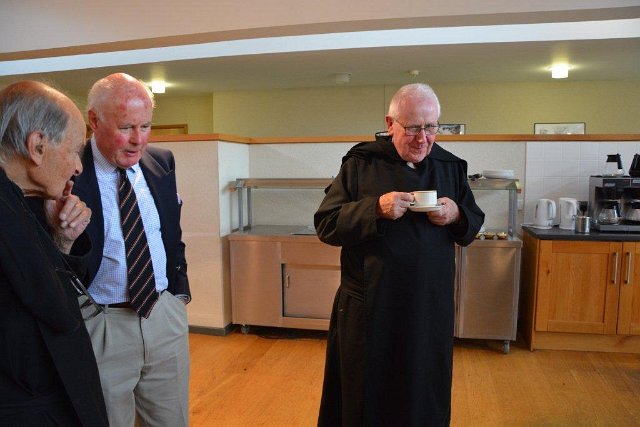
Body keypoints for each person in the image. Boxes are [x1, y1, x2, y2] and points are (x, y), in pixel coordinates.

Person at [314, 83, 485, 426]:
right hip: (371, 306)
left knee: (423, 392)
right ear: (390, 124)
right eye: (412, 128)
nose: (423, 139)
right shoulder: (361, 164)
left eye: (431, 127)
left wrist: (456, 214)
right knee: (367, 395)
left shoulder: (450, 166)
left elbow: (471, 224)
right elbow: (327, 224)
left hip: (428, 307)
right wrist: (374, 208)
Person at [72, 73, 191, 427]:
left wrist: (178, 296)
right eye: (125, 127)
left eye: (145, 126)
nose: (138, 140)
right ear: (94, 120)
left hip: (163, 317)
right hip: (103, 326)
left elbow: (171, 235)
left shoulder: (162, 161)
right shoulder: (69, 171)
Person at [0, 81, 108, 426]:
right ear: (37, 146)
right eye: (75, 150)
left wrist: (61, 238)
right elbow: (55, 311)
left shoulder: (24, 202)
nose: (79, 167)